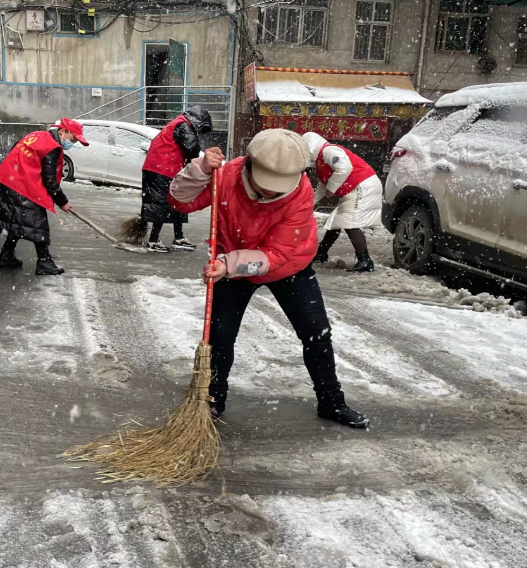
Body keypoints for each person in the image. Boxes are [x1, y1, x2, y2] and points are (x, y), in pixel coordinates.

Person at [168, 129, 370, 429]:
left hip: (288, 266)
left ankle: (331, 401)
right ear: (249, 164)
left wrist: (229, 265)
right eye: (266, 185)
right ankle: (211, 401)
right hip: (230, 264)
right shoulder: (226, 175)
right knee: (220, 338)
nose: (271, 193)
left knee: (316, 333)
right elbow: (180, 201)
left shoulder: (300, 192)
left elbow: (277, 253)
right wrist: (199, 170)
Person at [0, 118, 88, 275]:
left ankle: (7, 255)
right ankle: (44, 262)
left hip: (4, 181)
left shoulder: (37, 135)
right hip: (19, 186)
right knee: (37, 223)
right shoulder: (52, 147)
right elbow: (49, 180)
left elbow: (15, 149)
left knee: (18, 221)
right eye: (73, 139)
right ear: (63, 131)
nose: (73, 143)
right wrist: (62, 202)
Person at [301, 132, 383, 272]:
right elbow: (323, 186)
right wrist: (308, 204)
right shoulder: (320, 160)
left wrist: (331, 189)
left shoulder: (328, 150)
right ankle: (321, 253)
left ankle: (365, 261)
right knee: (336, 220)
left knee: (350, 223)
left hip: (362, 185)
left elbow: (344, 168)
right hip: (355, 187)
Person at [139, 107, 213, 252]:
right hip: (162, 170)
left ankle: (178, 238)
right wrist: (198, 165)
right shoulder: (183, 124)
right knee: (162, 204)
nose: (198, 131)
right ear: (198, 120)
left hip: (163, 169)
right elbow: (192, 148)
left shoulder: (178, 123)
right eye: (200, 128)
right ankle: (153, 241)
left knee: (178, 200)